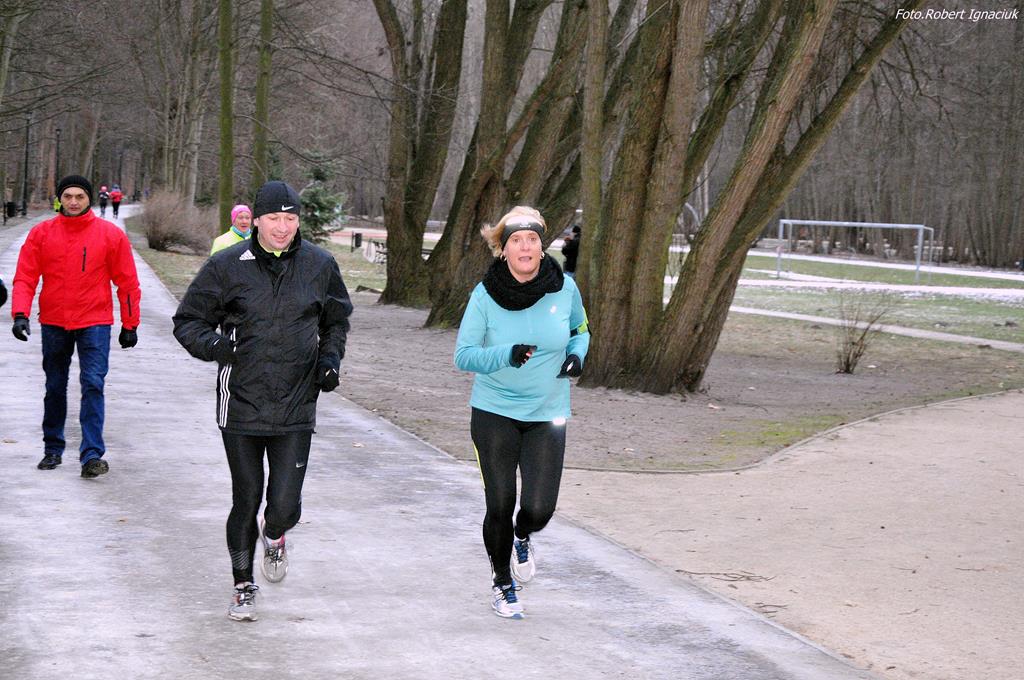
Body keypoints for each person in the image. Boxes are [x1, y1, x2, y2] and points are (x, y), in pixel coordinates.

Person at [172, 180, 352, 622]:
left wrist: (329, 361)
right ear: (256, 220)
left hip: (297, 401)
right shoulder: (226, 265)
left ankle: (275, 534)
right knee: (246, 497)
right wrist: (217, 347)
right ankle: (242, 586)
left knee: (284, 507)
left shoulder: (320, 264)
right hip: (241, 401)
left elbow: (336, 321)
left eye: (290, 219)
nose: (282, 227)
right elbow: (188, 321)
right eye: (274, 218)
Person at [454, 206, 590, 619]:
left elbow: (580, 331)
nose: (526, 246)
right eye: (516, 240)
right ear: (504, 248)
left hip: (548, 412)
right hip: (494, 411)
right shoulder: (485, 295)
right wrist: (505, 355)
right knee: (500, 502)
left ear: (541, 245)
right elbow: (464, 355)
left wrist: (577, 356)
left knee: (539, 509)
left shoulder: (564, 288)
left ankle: (523, 535)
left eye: (532, 239)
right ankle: (502, 582)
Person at [10, 174, 142, 477]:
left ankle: (92, 455)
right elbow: (25, 277)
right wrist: (20, 314)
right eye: (67, 196)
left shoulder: (110, 235)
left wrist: (130, 323)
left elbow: (127, 282)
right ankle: (52, 448)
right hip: (54, 320)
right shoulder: (41, 233)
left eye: (79, 196)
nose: (73, 202)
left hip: (95, 321)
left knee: (93, 384)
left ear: (89, 199)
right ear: (59, 199)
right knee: (54, 385)